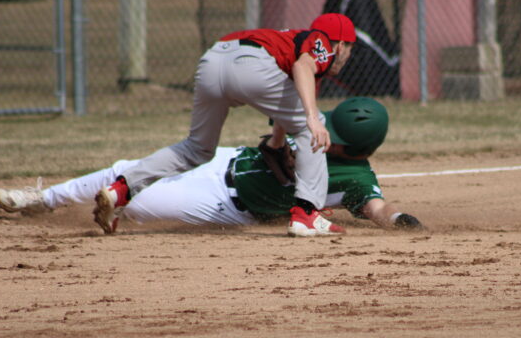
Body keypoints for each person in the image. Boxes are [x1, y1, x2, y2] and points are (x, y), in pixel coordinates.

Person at [93, 13, 357, 236]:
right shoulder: (322, 43)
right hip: (251, 65)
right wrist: (311, 118)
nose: (348, 56)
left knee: (197, 148)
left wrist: (276, 144)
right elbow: (303, 67)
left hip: (214, 60)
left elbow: (285, 104)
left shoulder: (288, 42)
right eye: (350, 49)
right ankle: (307, 214)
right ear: (341, 45)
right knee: (314, 125)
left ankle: (121, 189)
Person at [0, 98, 423, 234]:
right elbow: (282, 117)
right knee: (127, 170)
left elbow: (377, 207)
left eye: (335, 137)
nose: (324, 133)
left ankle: (105, 209)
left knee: (135, 202)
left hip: (225, 203)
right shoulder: (316, 123)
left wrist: (400, 220)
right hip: (224, 158)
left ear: (355, 149)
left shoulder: (357, 178)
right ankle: (41, 199)